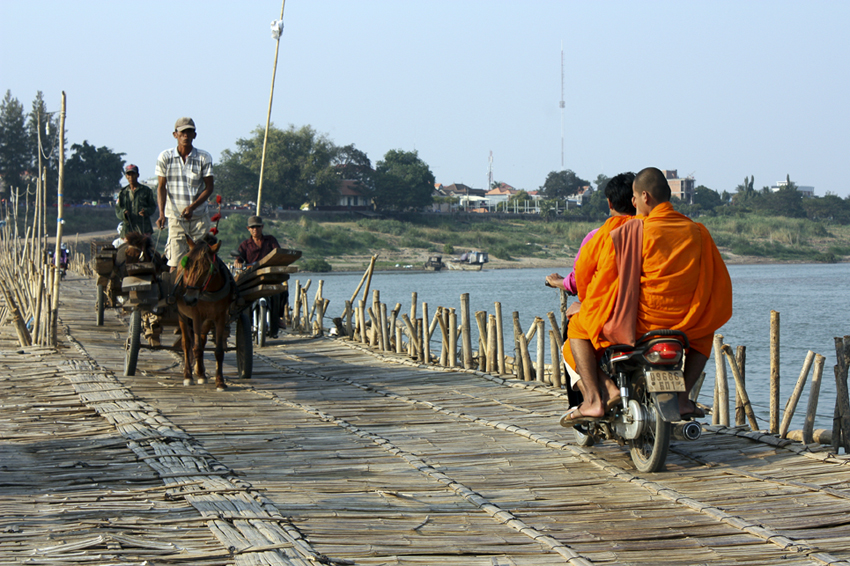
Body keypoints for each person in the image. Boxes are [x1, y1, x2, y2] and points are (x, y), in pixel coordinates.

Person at [561, 167, 732, 424]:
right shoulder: (698, 232)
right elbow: (716, 281)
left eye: (635, 198)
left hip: (640, 325)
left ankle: (595, 400)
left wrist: (588, 307)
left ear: (645, 197)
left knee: (577, 329)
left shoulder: (631, 232)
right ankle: (683, 398)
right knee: (704, 334)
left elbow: (603, 280)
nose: (633, 203)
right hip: (686, 323)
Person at [155, 117, 214, 271]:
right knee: (174, 262)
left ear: (195, 135)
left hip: (199, 218)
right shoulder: (165, 157)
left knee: (201, 262)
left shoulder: (203, 157)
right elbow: (161, 187)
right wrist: (161, 214)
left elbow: (209, 188)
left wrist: (192, 207)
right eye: (182, 132)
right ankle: (173, 293)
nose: (185, 136)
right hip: (176, 217)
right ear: (175, 135)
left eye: (189, 132)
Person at [234, 216, 285, 337]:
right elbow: (239, 258)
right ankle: (245, 322)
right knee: (242, 295)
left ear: (262, 227)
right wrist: (238, 262)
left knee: (281, 292)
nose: (255, 229)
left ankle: (277, 318)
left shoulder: (270, 240)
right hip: (252, 277)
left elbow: (277, 252)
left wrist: (277, 260)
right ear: (248, 229)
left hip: (269, 276)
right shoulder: (245, 245)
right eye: (252, 227)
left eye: (257, 227)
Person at [115, 164, 157, 237]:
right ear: (126, 176)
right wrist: (124, 213)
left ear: (137, 175)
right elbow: (118, 210)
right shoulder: (122, 193)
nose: (131, 177)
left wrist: (146, 211)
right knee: (126, 248)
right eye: (129, 174)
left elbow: (152, 207)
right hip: (128, 230)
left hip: (143, 228)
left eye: (133, 174)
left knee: (146, 248)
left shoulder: (146, 191)